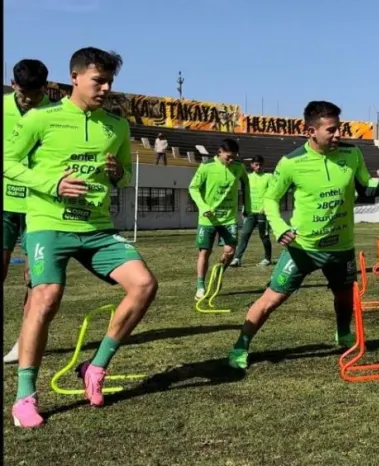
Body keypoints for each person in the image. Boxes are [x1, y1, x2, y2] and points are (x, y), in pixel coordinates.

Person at [4, 47, 159, 428]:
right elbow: (7, 163)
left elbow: (123, 177)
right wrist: (52, 182)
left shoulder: (117, 126)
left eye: (109, 81)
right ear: (74, 78)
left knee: (144, 285)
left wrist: (116, 171)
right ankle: (25, 396)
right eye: (98, 80)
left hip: (97, 229)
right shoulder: (43, 118)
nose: (105, 88)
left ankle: (96, 366)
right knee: (46, 296)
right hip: (48, 223)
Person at [227, 101, 379, 370]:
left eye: (339, 128)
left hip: (341, 247)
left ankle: (342, 333)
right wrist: (280, 228)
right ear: (311, 131)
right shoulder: (291, 163)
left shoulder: (352, 155)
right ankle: (241, 345)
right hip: (303, 248)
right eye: (331, 130)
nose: (338, 135)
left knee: (344, 297)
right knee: (271, 299)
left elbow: (365, 184)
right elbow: (270, 200)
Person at [3, 59, 52, 365]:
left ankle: (23, 342)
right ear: (13, 84)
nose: (30, 100)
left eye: (36, 94)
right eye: (24, 93)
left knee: (34, 277)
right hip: (5, 204)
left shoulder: (54, 114)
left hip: (39, 206)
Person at [188, 139, 251, 299]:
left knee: (230, 252)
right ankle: (200, 286)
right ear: (220, 152)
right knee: (205, 252)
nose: (231, 160)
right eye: (228, 157)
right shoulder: (206, 167)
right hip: (208, 219)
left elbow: (247, 185)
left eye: (234, 157)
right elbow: (193, 188)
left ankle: (218, 274)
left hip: (229, 219)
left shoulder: (239, 168)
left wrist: (247, 207)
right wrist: (203, 207)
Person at [231, 155, 273, 267]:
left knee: (264, 237)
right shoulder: (247, 178)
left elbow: (272, 194)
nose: (258, 167)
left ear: (263, 165)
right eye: (256, 164)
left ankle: (267, 258)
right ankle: (237, 259)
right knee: (244, 234)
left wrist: (266, 207)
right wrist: (244, 207)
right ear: (252, 165)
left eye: (260, 164)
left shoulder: (269, 177)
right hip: (250, 212)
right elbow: (244, 193)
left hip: (262, 213)